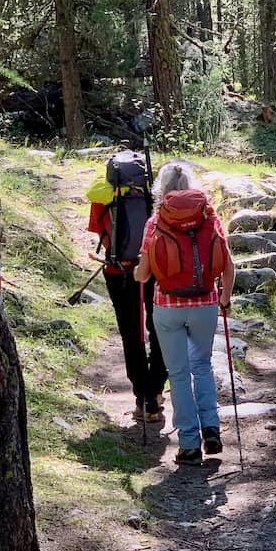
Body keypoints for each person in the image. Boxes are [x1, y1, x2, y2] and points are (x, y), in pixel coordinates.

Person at [134, 161, 235, 466]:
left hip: (167, 307)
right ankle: (212, 429)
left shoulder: (155, 222)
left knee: (178, 375)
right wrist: (225, 299)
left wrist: (140, 266)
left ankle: (189, 444)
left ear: (160, 190)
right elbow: (227, 265)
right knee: (201, 366)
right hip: (205, 303)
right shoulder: (210, 217)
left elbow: (142, 276)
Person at [86, 153, 167, 423]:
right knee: (159, 330)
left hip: (117, 272)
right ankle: (155, 393)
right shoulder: (153, 194)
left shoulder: (104, 194)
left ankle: (141, 398)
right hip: (153, 269)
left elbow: (99, 232)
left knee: (131, 335)